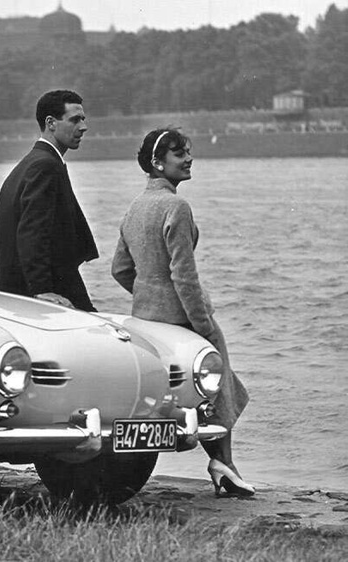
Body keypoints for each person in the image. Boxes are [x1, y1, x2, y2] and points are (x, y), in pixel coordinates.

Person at [111, 127, 254, 497]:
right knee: (217, 384)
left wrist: (149, 295)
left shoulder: (135, 207)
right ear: (158, 163)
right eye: (180, 154)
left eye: (189, 152)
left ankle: (224, 466)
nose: (189, 159)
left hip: (145, 318)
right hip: (182, 317)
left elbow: (120, 270)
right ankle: (225, 464)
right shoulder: (176, 206)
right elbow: (184, 276)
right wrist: (203, 324)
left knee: (195, 390)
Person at [0, 90, 98, 311]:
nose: (83, 127)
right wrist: (41, 290)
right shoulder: (45, 166)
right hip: (48, 295)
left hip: (23, 297)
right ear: (51, 123)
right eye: (74, 120)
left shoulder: (31, 163)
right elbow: (33, 231)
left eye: (83, 119)